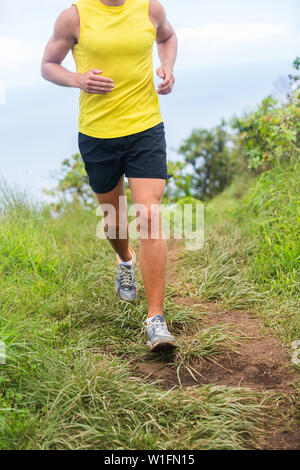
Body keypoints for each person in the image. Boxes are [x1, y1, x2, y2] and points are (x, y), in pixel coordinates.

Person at [41, 0, 178, 352]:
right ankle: (125, 259)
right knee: (114, 222)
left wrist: (166, 66)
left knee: (149, 214)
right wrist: (78, 79)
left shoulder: (149, 8)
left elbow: (168, 36)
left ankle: (155, 319)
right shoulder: (74, 15)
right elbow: (48, 65)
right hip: (98, 134)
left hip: (145, 128)